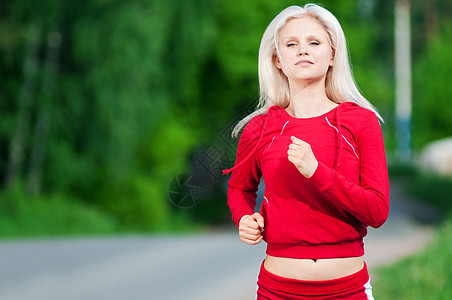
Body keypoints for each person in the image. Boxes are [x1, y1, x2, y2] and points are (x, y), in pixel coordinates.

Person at [222, 3, 389, 299]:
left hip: (347, 288)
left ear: (332, 55)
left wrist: (317, 172)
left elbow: (377, 211)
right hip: (278, 289)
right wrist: (244, 218)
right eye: (291, 44)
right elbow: (239, 188)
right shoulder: (259, 129)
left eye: (314, 42)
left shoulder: (361, 121)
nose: (303, 50)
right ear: (277, 59)